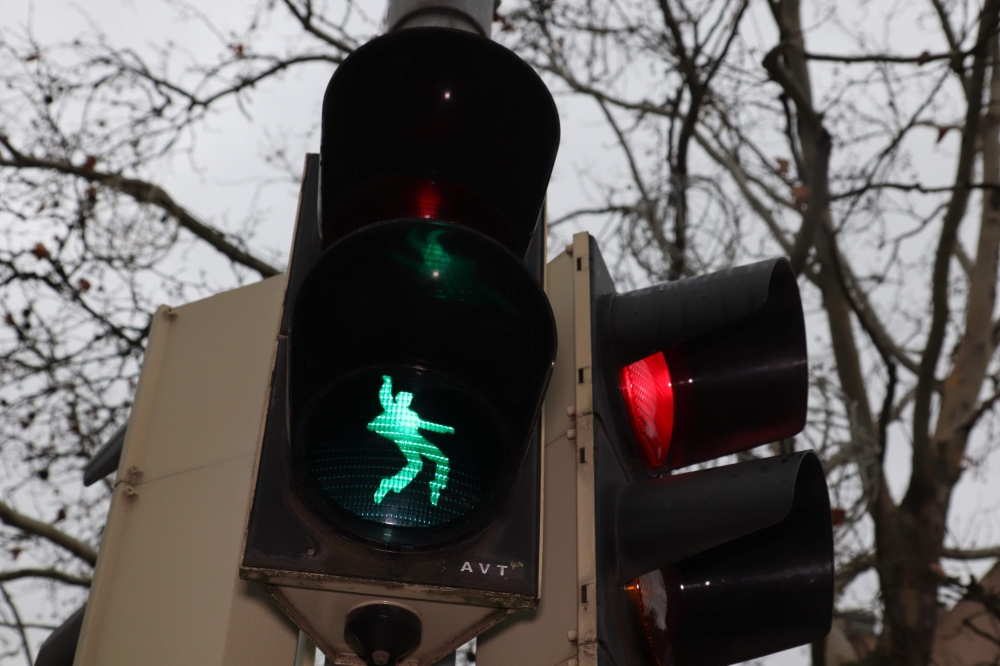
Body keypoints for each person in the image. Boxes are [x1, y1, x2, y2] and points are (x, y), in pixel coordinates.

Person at [368, 375, 453, 506]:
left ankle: (436, 487)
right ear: (399, 399)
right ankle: (390, 483)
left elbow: (425, 425)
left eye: (409, 399)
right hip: (407, 441)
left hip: (416, 440)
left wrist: (444, 429)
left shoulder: (412, 415)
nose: (407, 401)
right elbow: (385, 396)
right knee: (420, 464)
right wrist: (387, 382)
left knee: (437, 461)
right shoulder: (392, 408)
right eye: (405, 398)